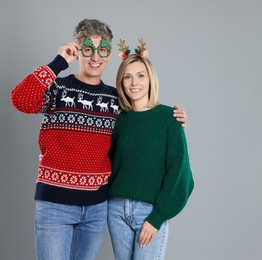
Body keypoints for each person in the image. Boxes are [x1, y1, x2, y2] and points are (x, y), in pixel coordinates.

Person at [10, 19, 187, 260]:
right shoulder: (57, 90)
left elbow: (142, 123)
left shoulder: (115, 101)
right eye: (88, 49)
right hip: (55, 205)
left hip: (95, 208)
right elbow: (21, 99)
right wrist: (59, 62)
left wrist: (173, 118)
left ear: (109, 53)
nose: (95, 57)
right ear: (78, 49)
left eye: (102, 50)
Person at [107, 38, 194, 260]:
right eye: (127, 76)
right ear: (121, 82)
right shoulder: (118, 121)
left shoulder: (169, 118)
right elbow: (104, 161)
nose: (134, 82)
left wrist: (157, 217)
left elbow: (180, 173)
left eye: (140, 75)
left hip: (150, 211)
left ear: (150, 79)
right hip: (115, 210)